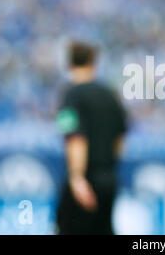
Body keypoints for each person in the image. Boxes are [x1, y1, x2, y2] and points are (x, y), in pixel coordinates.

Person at [55, 42, 127, 235]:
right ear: (93, 62)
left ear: (69, 64)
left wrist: (77, 177)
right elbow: (120, 139)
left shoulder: (70, 96)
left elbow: (74, 138)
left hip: (84, 180)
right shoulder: (111, 96)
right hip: (108, 179)